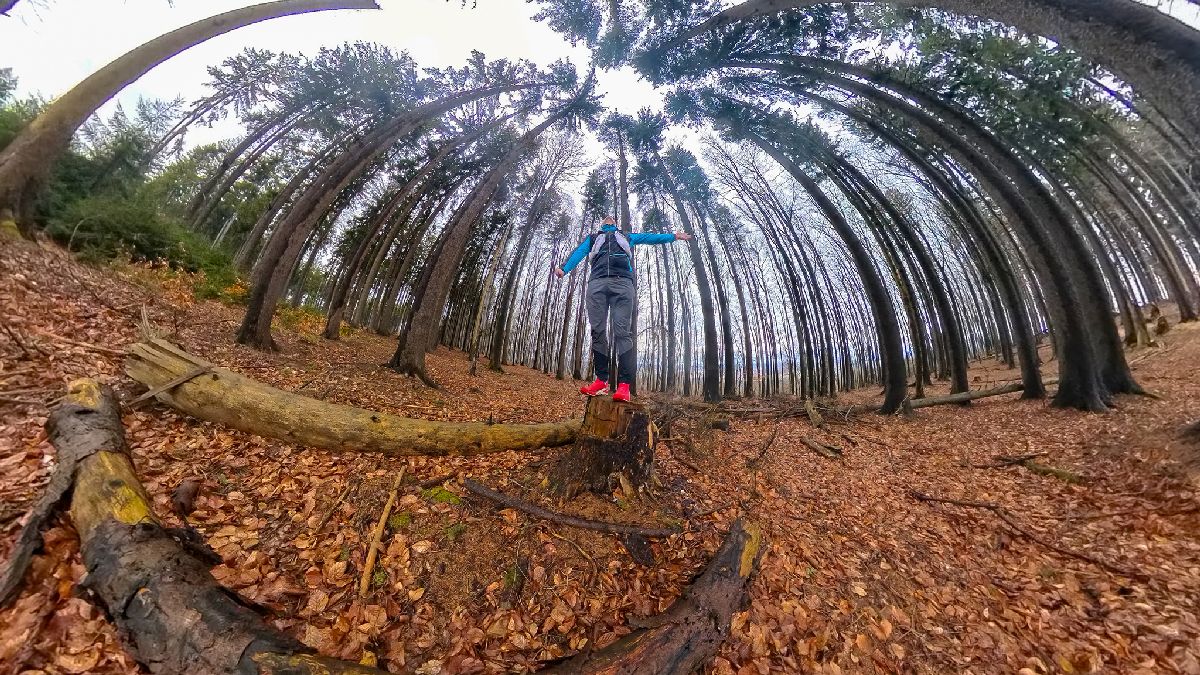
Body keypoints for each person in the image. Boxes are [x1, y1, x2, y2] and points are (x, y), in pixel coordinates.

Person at [554, 216, 692, 402]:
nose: (608, 218)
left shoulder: (626, 236)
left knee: (622, 332)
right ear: (602, 225)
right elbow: (579, 252)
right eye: (605, 219)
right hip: (597, 283)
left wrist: (673, 236)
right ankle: (601, 381)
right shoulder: (593, 238)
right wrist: (564, 268)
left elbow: (649, 238)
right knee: (597, 331)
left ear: (615, 224)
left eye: (612, 219)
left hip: (623, 283)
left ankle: (624, 385)